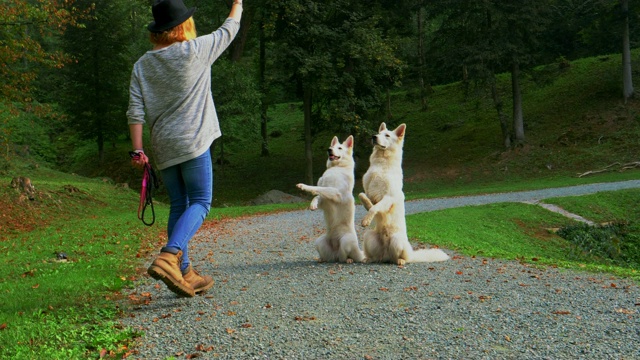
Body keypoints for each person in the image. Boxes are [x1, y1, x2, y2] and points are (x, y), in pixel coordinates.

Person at [126, 0, 243, 297]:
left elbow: (135, 111)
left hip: (164, 146)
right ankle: (170, 255)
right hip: (193, 142)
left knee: (180, 204)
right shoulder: (195, 50)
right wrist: (238, 3)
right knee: (201, 202)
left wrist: (138, 151)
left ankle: (185, 271)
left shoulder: (142, 65)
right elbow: (230, 28)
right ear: (182, 26)